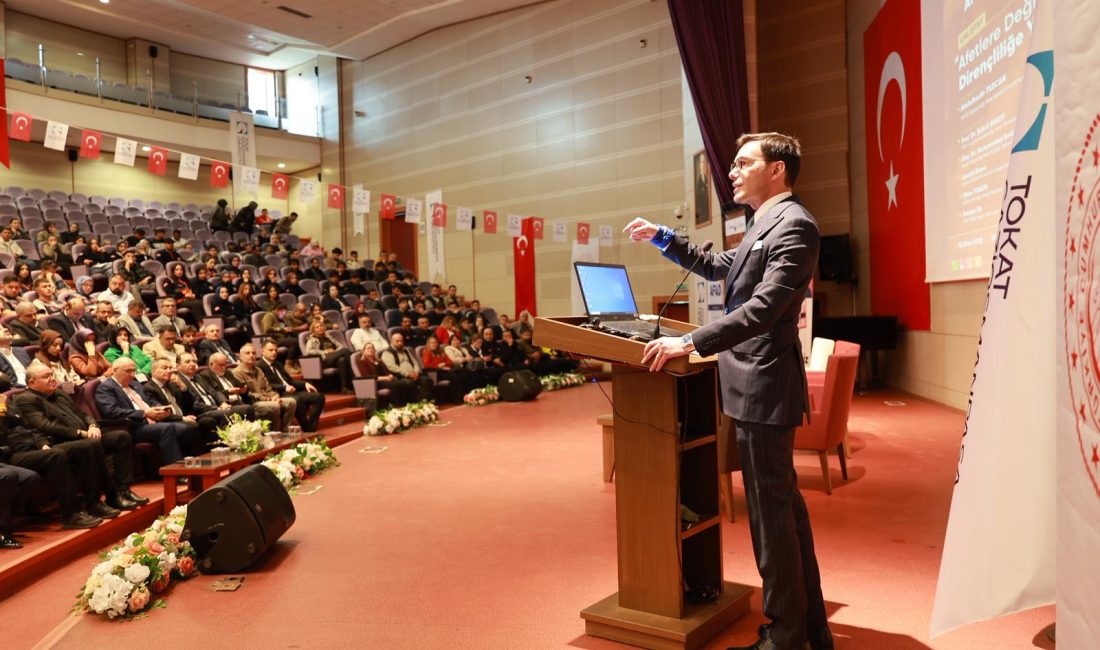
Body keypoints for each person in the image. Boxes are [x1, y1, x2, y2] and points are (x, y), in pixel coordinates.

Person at [624, 132, 828, 650]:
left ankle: (785, 636)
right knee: (782, 513)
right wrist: (663, 237)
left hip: (765, 385)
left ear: (777, 170)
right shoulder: (763, 223)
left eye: (743, 163)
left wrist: (689, 342)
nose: (732, 172)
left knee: (772, 519)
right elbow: (721, 267)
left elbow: (763, 309)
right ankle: (808, 628)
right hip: (751, 384)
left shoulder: (795, 225)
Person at [15, 364, 148, 510]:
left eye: (52, 374)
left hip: (85, 435)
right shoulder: (25, 399)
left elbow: (82, 415)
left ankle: (123, 490)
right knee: (90, 444)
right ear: (32, 382)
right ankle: (105, 497)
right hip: (60, 441)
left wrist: (93, 426)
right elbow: (46, 426)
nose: (52, 379)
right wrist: (80, 433)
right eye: (46, 377)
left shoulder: (59, 393)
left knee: (121, 437)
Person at [95, 357, 199, 466]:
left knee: (187, 427)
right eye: (128, 371)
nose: (132, 374)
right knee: (166, 428)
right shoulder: (106, 387)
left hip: (152, 421)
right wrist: (144, 413)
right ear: (115, 370)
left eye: (134, 371)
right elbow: (112, 411)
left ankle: (193, 465)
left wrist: (159, 408)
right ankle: (175, 470)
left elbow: (150, 401)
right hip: (133, 426)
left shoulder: (135, 384)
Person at [258, 339, 324, 432]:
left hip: (290, 390)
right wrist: (284, 387)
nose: (274, 353)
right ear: (262, 351)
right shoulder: (259, 366)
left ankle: (310, 427)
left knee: (319, 397)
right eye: (271, 350)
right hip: (277, 393)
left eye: (275, 350)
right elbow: (266, 385)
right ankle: (309, 429)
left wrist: (305, 384)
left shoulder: (278, 363)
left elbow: (290, 381)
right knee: (296, 400)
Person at [302, 321, 353, 392]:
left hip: (334, 357)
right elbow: (308, 351)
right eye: (317, 327)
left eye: (321, 326)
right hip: (323, 360)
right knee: (345, 351)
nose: (320, 328)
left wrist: (335, 352)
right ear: (313, 331)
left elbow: (340, 346)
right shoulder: (312, 339)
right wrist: (325, 352)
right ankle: (353, 377)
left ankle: (344, 387)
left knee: (342, 360)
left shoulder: (328, 337)